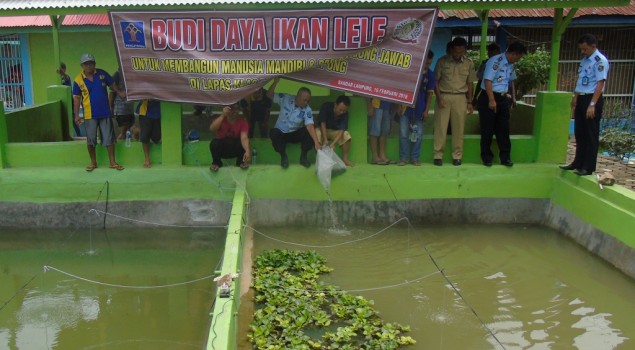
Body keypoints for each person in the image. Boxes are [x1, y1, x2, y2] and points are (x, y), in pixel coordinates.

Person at [560, 34, 610, 176]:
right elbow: (581, 80)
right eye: (581, 49)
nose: (583, 51)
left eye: (585, 49)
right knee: (580, 133)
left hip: (592, 99)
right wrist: (576, 97)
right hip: (582, 97)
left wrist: (592, 104)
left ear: (593, 46)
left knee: (590, 134)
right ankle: (578, 162)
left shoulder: (600, 61)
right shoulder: (584, 60)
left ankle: (588, 167)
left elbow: (600, 83)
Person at [477, 42, 527, 167]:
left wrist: (512, 97)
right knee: (487, 128)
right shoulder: (496, 61)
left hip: (503, 98)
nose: (518, 60)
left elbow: (511, 81)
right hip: (489, 96)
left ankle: (505, 157)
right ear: (513, 54)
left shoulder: (511, 65)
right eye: (518, 57)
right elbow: (487, 80)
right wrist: (491, 100)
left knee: (503, 129)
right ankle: (486, 157)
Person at [72, 53, 124, 171]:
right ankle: (93, 162)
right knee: (91, 140)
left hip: (105, 112)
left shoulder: (102, 74)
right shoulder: (78, 80)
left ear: (94, 64)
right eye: (86, 64)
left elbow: (112, 84)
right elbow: (76, 98)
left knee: (109, 138)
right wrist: (76, 116)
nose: (89, 66)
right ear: (82, 66)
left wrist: (120, 92)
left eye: (91, 63)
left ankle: (112, 162)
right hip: (90, 114)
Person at [433, 37, 476, 166]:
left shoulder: (469, 63)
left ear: (464, 50)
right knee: (440, 127)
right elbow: (435, 82)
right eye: (456, 52)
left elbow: (470, 83)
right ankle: (437, 155)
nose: (458, 55)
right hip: (444, 96)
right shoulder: (442, 62)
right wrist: (439, 98)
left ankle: (457, 156)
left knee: (459, 128)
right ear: (452, 49)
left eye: (461, 52)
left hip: (460, 98)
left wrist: (469, 102)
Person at [267, 77, 320, 168]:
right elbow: (269, 95)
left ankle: (303, 157)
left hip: (294, 134)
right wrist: (275, 82)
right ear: (298, 97)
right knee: (273, 132)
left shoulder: (307, 109)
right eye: (305, 100)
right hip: (281, 133)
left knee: (308, 132)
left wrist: (316, 142)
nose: (306, 102)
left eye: (308, 100)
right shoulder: (286, 98)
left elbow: (310, 126)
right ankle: (283, 156)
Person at [399, 50, 436, 166]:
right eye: (426, 62)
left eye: (429, 63)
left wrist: (426, 111)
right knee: (403, 134)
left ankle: (415, 158)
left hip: (420, 109)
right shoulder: (411, 71)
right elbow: (401, 89)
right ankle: (403, 158)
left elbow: (429, 95)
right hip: (405, 108)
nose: (427, 65)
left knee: (418, 135)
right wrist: (399, 105)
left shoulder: (430, 75)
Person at [209, 101, 251, 172]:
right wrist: (223, 115)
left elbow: (244, 138)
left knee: (243, 143)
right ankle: (216, 163)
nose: (235, 111)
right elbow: (212, 128)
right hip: (223, 149)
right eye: (232, 109)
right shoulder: (221, 120)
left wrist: (247, 151)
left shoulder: (243, 123)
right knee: (214, 143)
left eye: (237, 109)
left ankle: (241, 163)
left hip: (234, 148)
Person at [316, 95, 353, 166]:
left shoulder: (345, 114)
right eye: (340, 109)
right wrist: (325, 139)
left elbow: (342, 130)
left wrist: (333, 143)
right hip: (322, 129)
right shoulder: (326, 106)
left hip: (334, 132)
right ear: (335, 104)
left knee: (346, 134)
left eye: (344, 110)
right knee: (317, 133)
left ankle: (345, 159)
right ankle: (321, 160)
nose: (342, 112)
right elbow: (322, 123)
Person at [368, 98, 397, 165]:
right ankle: (374, 157)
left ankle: (382, 156)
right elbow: (368, 90)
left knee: (385, 131)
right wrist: (370, 106)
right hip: (376, 105)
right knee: (375, 130)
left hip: (388, 105)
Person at [110, 68, 135, 140]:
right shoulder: (118, 74)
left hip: (130, 109)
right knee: (124, 132)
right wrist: (111, 108)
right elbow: (111, 91)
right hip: (120, 110)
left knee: (128, 132)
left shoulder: (132, 75)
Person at [57, 62, 81, 137]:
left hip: (69, 100)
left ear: (64, 69)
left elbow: (65, 76)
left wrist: (62, 73)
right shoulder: (59, 79)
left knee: (72, 118)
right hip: (63, 100)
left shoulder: (66, 77)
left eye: (61, 69)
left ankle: (79, 134)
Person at [137, 99, 161, 168]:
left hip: (158, 110)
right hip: (145, 111)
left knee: (157, 137)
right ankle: (147, 158)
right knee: (144, 137)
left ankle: (138, 132)